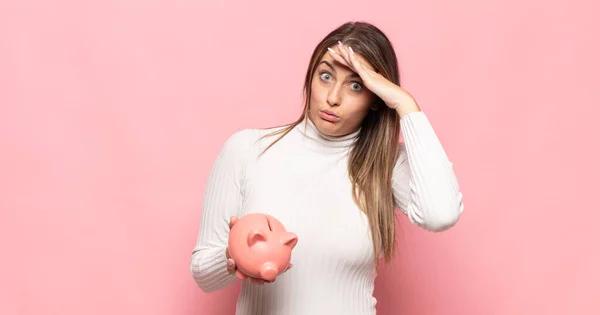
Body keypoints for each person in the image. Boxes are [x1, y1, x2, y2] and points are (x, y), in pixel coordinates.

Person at [190, 21, 464, 315]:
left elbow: (441, 213)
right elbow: (203, 275)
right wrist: (235, 255)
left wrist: (405, 103)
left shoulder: (385, 165)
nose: (333, 98)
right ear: (310, 77)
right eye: (325, 76)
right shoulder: (247, 149)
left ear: (375, 98)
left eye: (356, 85)